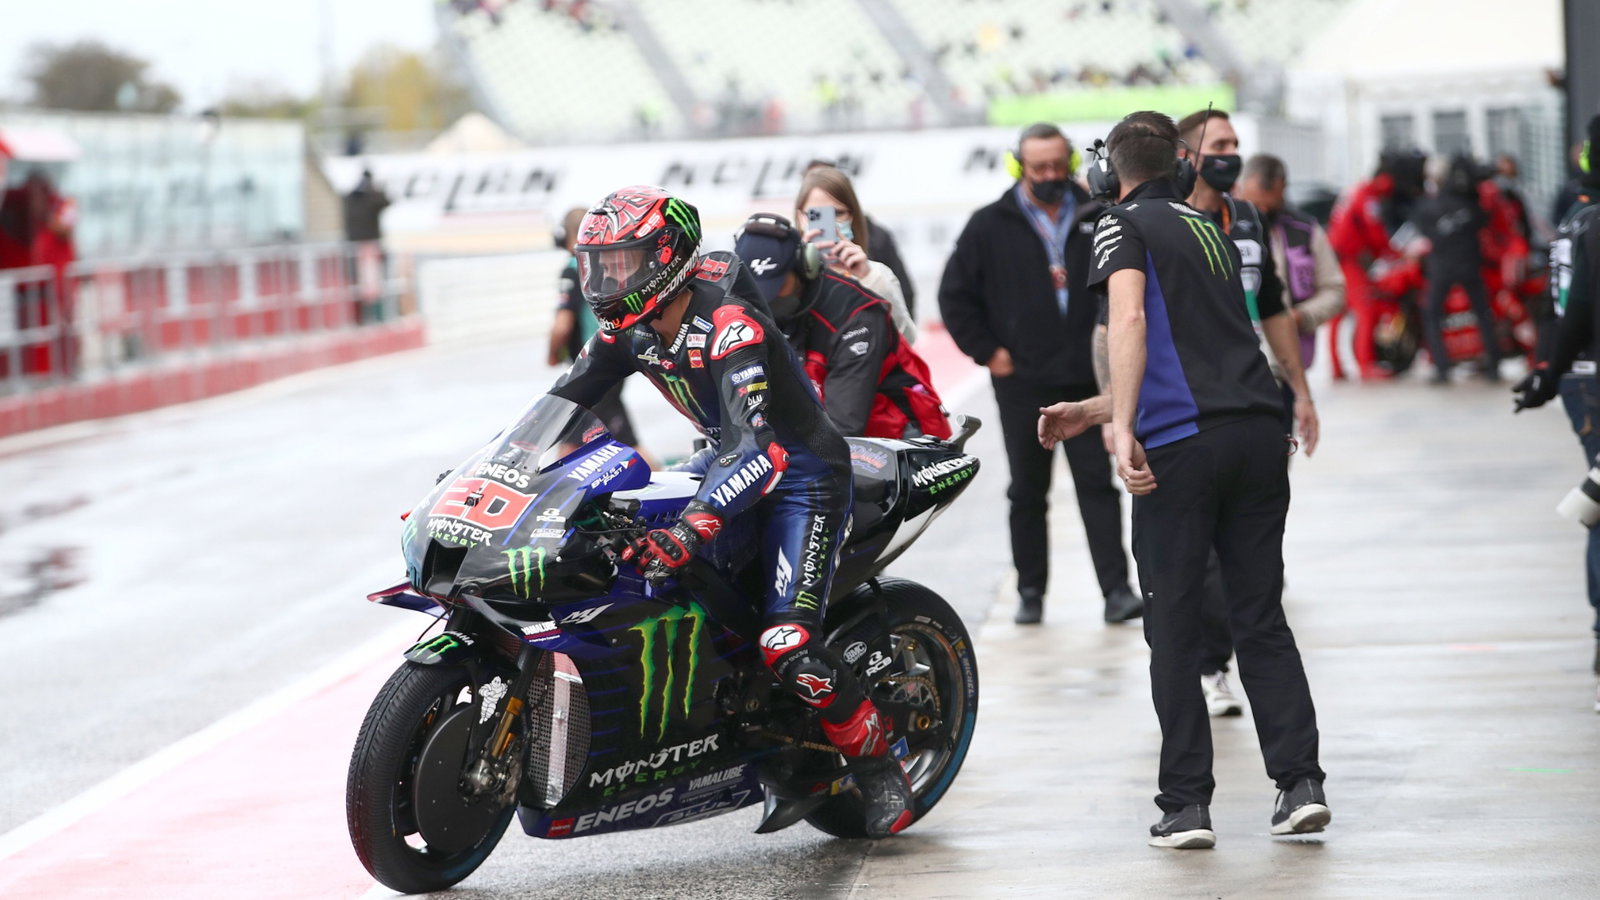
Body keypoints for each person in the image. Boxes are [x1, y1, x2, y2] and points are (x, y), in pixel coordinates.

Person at [548, 185, 915, 836]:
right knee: (631, 560)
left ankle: (878, 762)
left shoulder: (728, 327)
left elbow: (763, 449)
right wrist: (495, 468)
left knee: (787, 642)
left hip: (801, 476)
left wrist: (693, 526)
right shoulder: (624, 330)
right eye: (597, 263)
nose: (605, 278)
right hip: (724, 461)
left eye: (620, 264)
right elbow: (561, 402)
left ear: (666, 261)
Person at [1081, 111, 1328, 849]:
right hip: (1257, 434)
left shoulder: (1121, 225)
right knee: (1261, 616)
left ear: (1111, 172)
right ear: (1181, 165)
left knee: (1175, 627)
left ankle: (1186, 804)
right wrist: (1093, 408)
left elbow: (1129, 325)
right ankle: (1300, 784)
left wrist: (1119, 427)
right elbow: (1203, 350)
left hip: (1185, 446)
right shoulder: (1211, 229)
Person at [939, 121, 1139, 626]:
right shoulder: (989, 224)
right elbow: (955, 297)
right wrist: (991, 353)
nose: (1051, 175)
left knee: (1098, 486)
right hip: (1022, 383)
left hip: (1089, 382)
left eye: (1058, 165)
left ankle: (1116, 591)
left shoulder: (1102, 214)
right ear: (1018, 166)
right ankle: (1031, 592)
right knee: (1027, 491)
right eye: (1039, 167)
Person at [1511, 113, 1600, 706]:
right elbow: (1581, 306)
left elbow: (1556, 309)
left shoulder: (1573, 220)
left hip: (1577, 378)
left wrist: (1546, 372)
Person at [733, 213, 950, 439]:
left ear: (803, 266)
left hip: (906, 445)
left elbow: (840, 430)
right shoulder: (746, 308)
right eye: (757, 290)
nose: (767, 299)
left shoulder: (855, 316)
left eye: (777, 285)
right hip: (830, 442)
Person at [1236, 154, 1347, 375]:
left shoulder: (1306, 231)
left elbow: (1334, 289)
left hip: (1291, 364)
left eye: (1268, 204)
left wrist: (1301, 316)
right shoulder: (1224, 227)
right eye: (1255, 204)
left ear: (1282, 188)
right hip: (1241, 366)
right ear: (1241, 188)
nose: (1261, 213)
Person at [547, 205, 643, 453]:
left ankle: (674, 485)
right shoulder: (601, 262)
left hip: (593, 367)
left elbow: (562, 325)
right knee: (568, 444)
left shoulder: (573, 267)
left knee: (629, 447)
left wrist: (552, 354)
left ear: (562, 235)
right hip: (607, 358)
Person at [794, 165, 916, 342]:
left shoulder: (877, 274)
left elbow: (906, 341)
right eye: (817, 215)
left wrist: (869, 278)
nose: (830, 224)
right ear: (800, 218)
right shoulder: (784, 275)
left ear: (853, 215)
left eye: (838, 213)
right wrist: (799, 272)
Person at [1409, 154, 1499, 383]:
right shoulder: (1469, 203)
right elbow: (1483, 221)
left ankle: (1441, 368)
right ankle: (1493, 366)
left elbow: (1425, 234)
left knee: (1431, 314)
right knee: (1482, 313)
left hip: (1442, 267)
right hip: (1470, 264)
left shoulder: (1427, 206)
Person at [1326, 152, 1415, 380]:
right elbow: (1375, 234)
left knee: (1337, 314)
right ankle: (1366, 367)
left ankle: (1336, 368)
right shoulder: (1368, 198)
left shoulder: (1353, 192)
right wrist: (1395, 252)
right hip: (1350, 262)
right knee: (1365, 310)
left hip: (1335, 258)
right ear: (1384, 179)